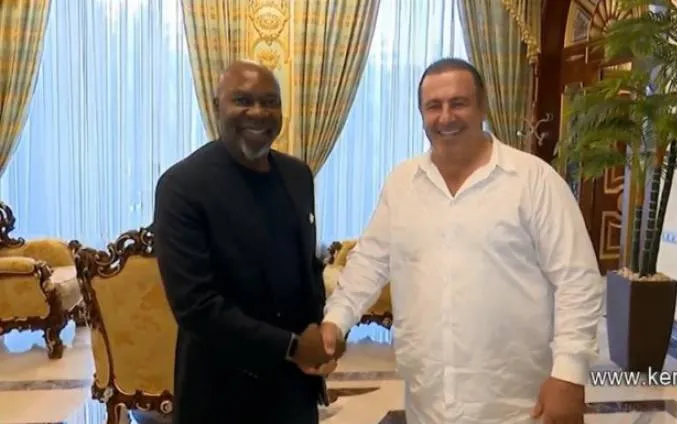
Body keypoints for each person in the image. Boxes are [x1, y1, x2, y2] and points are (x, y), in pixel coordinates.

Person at [320, 58, 604, 424]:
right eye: (433, 106)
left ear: (482, 107)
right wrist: (335, 321)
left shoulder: (534, 181)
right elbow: (369, 263)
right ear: (421, 114)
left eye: (458, 103)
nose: (445, 117)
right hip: (427, 401)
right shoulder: (402, 183)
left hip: (516, 406)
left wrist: (569, 373)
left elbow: (577, 280)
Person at [154, 59, 342, 424]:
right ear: (217, 106)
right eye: (242, 100)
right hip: (220, 393)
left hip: (294, 390)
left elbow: (307, 270)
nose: (258, 112)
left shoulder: (298, 176)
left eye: (270, 102)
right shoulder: (182, 187)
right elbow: (195, 306)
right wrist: (291, 346)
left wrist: (324, 333)